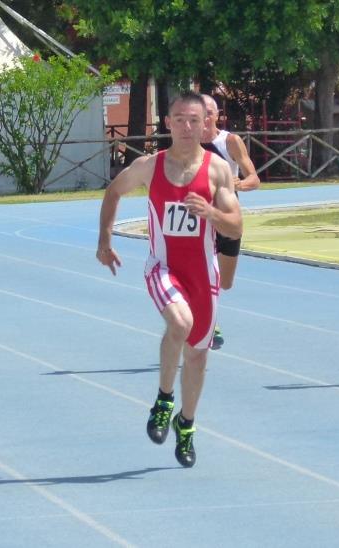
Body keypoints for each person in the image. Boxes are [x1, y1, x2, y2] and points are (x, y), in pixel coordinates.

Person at [97, 91, 242, 467]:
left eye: (194, 120)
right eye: (180, 119)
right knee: (179, 323)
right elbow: (113, 191)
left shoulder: (217, 170)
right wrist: (105, 240)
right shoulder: (150, 166)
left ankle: (186, 423)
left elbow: (236, 225)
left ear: (205, 124)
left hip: (203, 274)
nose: (187, 127)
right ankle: (163, 400)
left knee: (197, 356)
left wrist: (211, 213)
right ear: (167, 123)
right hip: (163, 267)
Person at [200, 94, 260, 349]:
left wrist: (239, 184)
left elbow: (254, 178)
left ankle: (205, 315)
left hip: (228, 217)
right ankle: (209, 322)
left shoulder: (230, 141)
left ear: (217, 115)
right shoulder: (186, 143)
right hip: (200, 218)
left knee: (224, 281)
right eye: (199, 112)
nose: (204, 118)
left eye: (208, 113)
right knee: (205, 272)